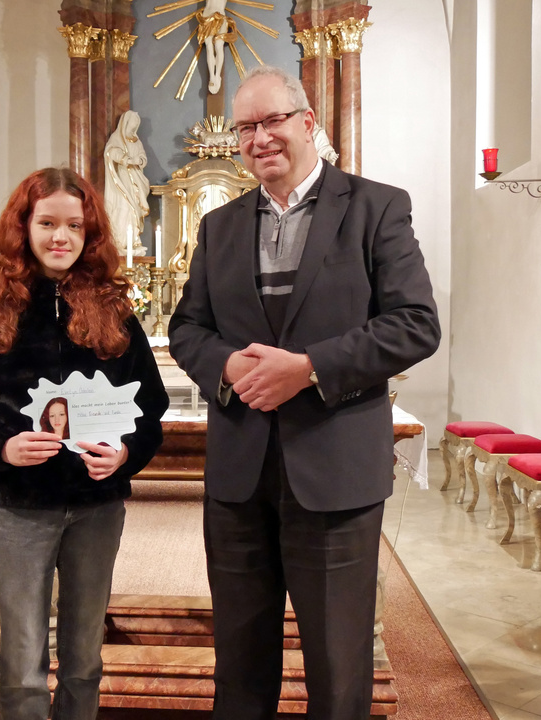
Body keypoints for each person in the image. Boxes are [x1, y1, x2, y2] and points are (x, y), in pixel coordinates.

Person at [168, 66, 440, 720]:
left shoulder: (376, 207)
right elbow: (186, 328)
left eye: (272, 121)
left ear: (308, 122)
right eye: (245, 127)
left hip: (334, 470)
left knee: (338, 664)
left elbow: (415, 324)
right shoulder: (221, 226)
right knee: (239, 661)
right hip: (240, 477)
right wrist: (230, 367)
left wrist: (310, 367)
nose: (259, 138)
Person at [0, 167, 169, 720]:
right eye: (47, 223)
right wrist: (2, 447)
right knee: (22, 661)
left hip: (96, 506)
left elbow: (151, 410)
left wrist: (127, 452)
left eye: (74, 226)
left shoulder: (114, 311)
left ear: (90, 235)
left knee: (84, 655)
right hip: (21, 508)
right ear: (24, 226)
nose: (60, 237)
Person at [103, 110, 150, 256]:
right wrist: (128, 160)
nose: (133, 129)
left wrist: (140, 160)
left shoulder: (137, 142)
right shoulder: (117, 139)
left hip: (135, 181)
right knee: (123, 208)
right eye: (131, 125)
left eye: (135, 126)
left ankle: (133, 241)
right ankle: (119, 241)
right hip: (121, 180)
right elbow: (111, 152)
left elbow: (142, 156)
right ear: (125, 124)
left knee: (134, 210)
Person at [196, 0, 236, 95]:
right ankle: (212, 77)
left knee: (218, 46)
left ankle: (217, 75)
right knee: (210, 46)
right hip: (208, 16)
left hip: (218, 15)